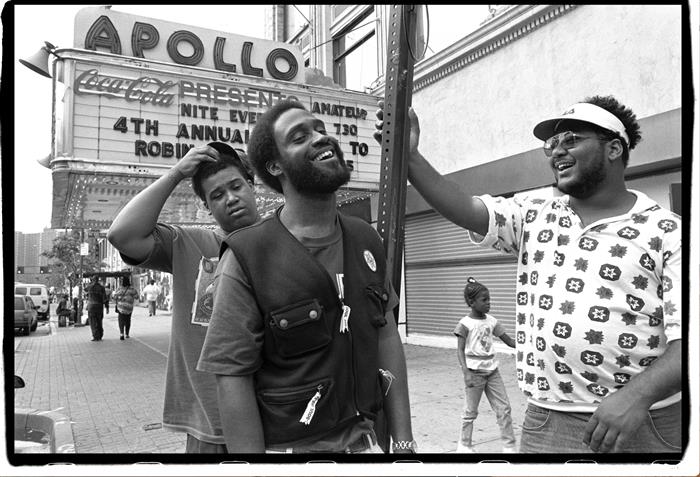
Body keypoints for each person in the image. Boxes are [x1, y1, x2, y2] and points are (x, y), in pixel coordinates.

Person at [374, 95, 681, 454]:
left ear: (614, 148)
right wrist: (411, 158)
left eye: (572, 140)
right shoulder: (536, 215)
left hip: (642, 424)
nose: (556, 152)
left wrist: (636, 397)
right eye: (552, 144)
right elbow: (467, 209)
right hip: (547, 423)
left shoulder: (667, 231)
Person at [197, 99, 415, 454]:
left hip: (369, 445)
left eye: (320, 130)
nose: (320, 138)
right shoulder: (246, 257)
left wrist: (404, 443)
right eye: (300, 137)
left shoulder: (365, 238)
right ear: (274, 166)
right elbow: (232, 379)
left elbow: (387, 338)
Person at [107, 142, 259, 453]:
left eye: (236, 186)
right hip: (208, 429)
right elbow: (122, 235)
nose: (230, 199)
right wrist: (175, 174)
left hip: (276, 422)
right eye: (216, 195)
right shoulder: (190, 243)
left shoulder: (283, 244)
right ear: (206, 207)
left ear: (251, 185)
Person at [454, 277, 516, 453]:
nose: (489, 303)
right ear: (471, 302)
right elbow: (459, 350)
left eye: (489, 299)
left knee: (504, 409)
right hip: (474, 373)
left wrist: (527, 343)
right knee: (470, 412)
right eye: (484, 300)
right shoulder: (465, 324)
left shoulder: (492, 321)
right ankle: (464, 445)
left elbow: (509, 341)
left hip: (492, 372)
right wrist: (465, 372)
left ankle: (509, 446)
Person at [85, 276, 107, 341]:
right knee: (99, 321)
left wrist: (90, 282)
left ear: (93, 280)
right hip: (99, 307)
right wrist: (107, 307)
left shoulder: (90, 287)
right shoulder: (102, 288)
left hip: (91, 307)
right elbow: (105, 298)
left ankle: (95, 336)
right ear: (98, 280)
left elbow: (85, 289)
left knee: (93, 322)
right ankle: (100, 335)